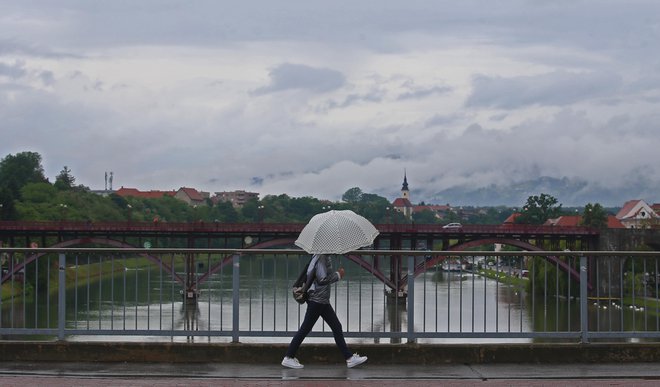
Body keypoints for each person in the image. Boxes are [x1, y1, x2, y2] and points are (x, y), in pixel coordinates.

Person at [281, 254, 368, 369]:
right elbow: (322, 280)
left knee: (336, 326)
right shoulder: (321, 257)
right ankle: (288, 357)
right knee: (305, 329)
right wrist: (338, 275)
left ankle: (349, 358)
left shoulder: (320, 256)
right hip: (317, 301)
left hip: (322, 300)